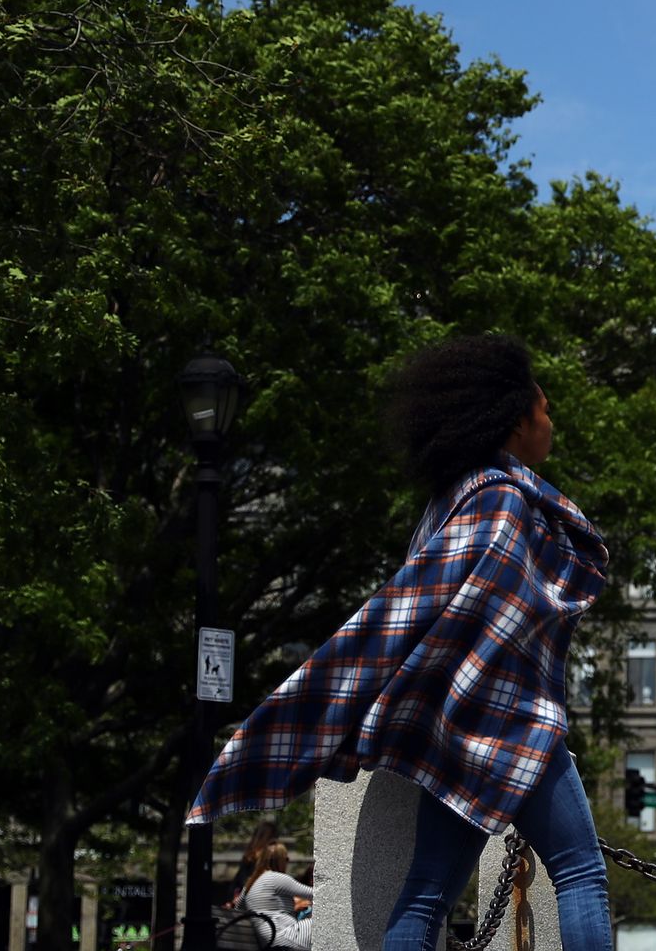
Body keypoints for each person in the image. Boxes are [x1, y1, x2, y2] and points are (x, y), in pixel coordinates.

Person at [187, 334, 613, 949]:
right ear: (516, 420)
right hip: (511, 721)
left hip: (451, 732)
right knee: (581, 873)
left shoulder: (448, 503)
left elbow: (426, 614)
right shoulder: (503, 499)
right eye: (545, 409)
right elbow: (506, 614)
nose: (553, 421)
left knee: (427, 894)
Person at [239, 842, 313, 949]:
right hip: (284, 937)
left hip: (269, 940)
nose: (287, 863)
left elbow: (238, 910)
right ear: (280, 861)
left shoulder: (250, 883)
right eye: (286, 859)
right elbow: (315, 894)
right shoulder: (276, 878)